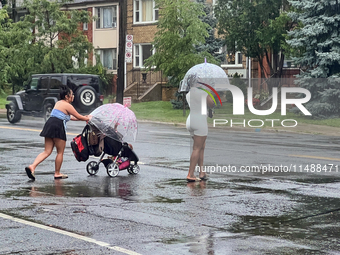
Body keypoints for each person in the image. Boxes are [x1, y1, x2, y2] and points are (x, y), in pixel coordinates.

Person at [25, 85, 91, 180]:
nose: (73, 96)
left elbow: (71, 117)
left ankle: (32, 166)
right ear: (66, 96)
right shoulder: (68, 105)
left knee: (47, 151)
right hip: (58, 126)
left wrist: (85, 117)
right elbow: (79, 116)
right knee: (60, 152)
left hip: (49, 124)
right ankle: (57, 173)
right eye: (72, 94)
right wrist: (87, 118)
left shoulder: (59, 103)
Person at [186, 86, 214, 182]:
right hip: (200, 121)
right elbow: (212, 104)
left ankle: (201, 172)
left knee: (201, 146)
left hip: (190, 120)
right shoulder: (203, 92)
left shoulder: (189, 93)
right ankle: (191, 174)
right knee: (197, 148)